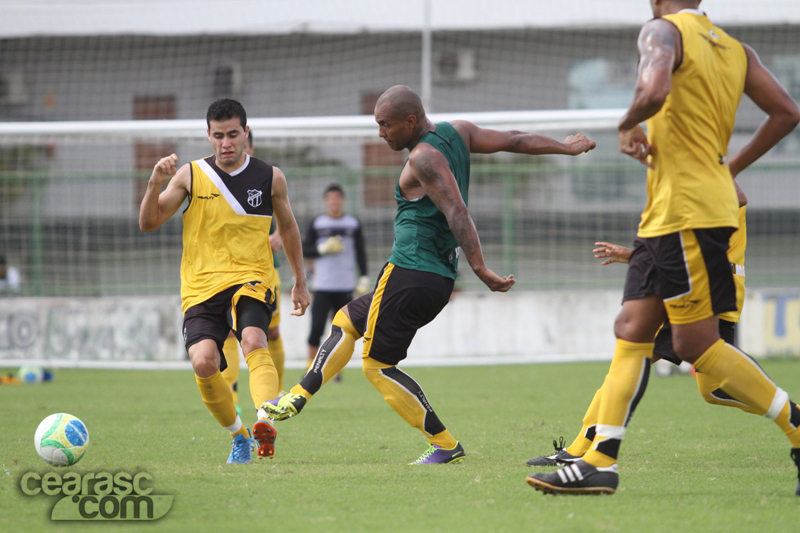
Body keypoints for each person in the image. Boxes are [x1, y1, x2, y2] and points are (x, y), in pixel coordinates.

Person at [527, 1, 800, 495]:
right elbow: (787, 112)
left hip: (688, 214)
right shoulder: (737, 50)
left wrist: (627, 122)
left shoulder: (661, 31)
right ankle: (599, 461)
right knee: (632, 328)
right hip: (672, 213)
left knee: (698, 348)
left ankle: (797, 426)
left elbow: (653, 91)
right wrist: (729, 169)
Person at [264, 85, 596, 464]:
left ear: (410, 121)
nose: (380, 133)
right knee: (347, 320)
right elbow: (514, 139)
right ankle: (298, 395)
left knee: (376, 366)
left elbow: (456, 210)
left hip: (410, 270)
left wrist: (480, 268)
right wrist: (564, 147)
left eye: (385, 125)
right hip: (433, 277)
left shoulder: (423, 157)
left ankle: (444, 444)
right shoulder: (459, 132)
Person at [528, 189, 759, 468]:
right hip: (696, 288)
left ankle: (580, 450)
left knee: (628, 365)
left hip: (704, 292)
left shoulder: (701, 174)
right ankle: (792, 416)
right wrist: (635, 255)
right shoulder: (687, 181)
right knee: (713, 389)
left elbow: (734, 198)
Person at [139, 99, 310, 464]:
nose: (226, 143)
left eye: (233, 134)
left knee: (254, 339)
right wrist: (155, 182)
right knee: (203, 362)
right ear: (208, 135)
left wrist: (300, 279)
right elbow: (149, 222)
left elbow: (288, 227)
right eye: (219, 136)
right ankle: (239, 435)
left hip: (252, 278)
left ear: (246, 133)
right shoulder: (190, 174)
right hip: (200, 287)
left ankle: (265, 419)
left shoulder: (270, 177)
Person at [221, 131, 289, 413]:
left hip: (265, 274)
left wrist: (278, 237)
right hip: (228, 274)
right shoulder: (217, 181)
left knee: (270, 332)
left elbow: (288, 222)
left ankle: (277, 391)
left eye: (242, 144)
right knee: (229, 333)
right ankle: (231, 397)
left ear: (250, 145)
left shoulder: (265, 179)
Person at [302, 183, 369, 371]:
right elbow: (305, 249)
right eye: (330, 198)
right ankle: (310, 369)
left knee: (343, 332)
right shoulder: (318, 223)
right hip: (323, 286)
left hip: (345, 286)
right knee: (316, 329)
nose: (334, 201)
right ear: (325, 201)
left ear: (343, 200)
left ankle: (335, 370)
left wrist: (364, 276)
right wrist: (322, 249)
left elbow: (361, 251)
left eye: (337, 198)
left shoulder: (352, 223)